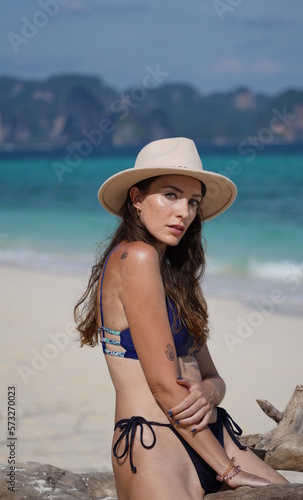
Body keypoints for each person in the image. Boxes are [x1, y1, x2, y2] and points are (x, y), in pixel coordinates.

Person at [74, 137, 288, 499]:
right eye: (171, 195)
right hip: (155, 442)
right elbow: (163, 387)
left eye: (192, 202)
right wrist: (227, 470)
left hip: (213, 434)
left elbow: (213, 377)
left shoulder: (174, 272)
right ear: (137, 198)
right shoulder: (135, 259)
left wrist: (208, 391)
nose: (184, 212)